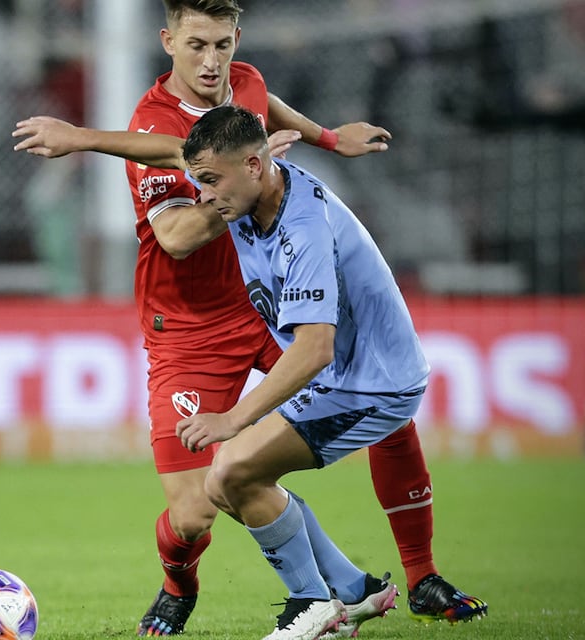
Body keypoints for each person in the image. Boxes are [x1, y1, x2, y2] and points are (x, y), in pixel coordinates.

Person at [13, 0, 486, 636]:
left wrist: (324, 138)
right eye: (197, 45)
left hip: (260, 309)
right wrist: (237, 186)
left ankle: (409, 577)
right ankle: (180, 584)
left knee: (381, 406)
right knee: (196, 510)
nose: (212, 63)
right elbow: (178, 236)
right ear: (167, 41)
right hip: (188, 327)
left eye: (223, 45)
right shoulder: (151, 121)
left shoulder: (246, 83)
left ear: (237, 40)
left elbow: (266, 111)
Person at [173, 104, 481, 639]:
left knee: (232, 470)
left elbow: (315, 348)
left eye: (209, 181)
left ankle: (311, 604)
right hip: (343, 378)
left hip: (373, 385)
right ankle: (353, 591)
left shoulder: (303, 228)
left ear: (252, 165)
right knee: (226, 483)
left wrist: (234, 418)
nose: (203, 196)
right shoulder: (252, 192)